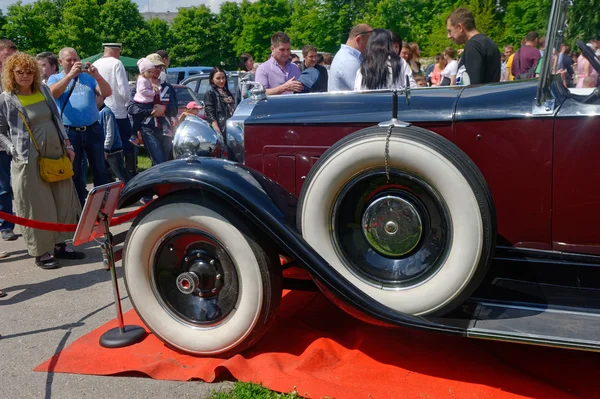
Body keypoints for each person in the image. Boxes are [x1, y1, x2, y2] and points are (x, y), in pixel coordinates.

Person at [0, 52, 85, 269]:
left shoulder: (44, 90)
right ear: (12, 74)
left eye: (29, 71)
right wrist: (12, 149)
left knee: (61, 200)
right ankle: (41, 252)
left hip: (56, 151)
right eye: (20, 72)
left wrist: (67, 145)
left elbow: (56, 119)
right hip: (27, 158)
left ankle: (60, 245)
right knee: (36, 205)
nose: (25, 76)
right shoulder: (6, 98)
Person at [48, 47, 112, 206]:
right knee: (75, 171)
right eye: (69, 60)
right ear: (61, 62)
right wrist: (70, 76)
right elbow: (52, 94)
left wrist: (97, 76)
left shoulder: (88, 78)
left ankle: (101, 205)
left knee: (100, 169)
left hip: (93, 129)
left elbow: (107, 92)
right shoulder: (55, 78)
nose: (73, 62)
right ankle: (80, 207)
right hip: (70, 133)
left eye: (75, 59)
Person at [92, 43, 136, 178]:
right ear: (117, 51)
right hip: (118, 111)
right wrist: (129, 102)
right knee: (126, 146)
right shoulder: (117, 63)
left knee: (105, 144)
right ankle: (129, 174)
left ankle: (107, 175)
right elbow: (124, 89)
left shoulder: (95, 64)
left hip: (100, 109)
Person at [128, 53, 177, 167]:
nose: (158, 70)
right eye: (155, 67)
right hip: (148, 128)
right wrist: (151, 111)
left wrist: (164, 108)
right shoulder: (138, 86)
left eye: (160, 67)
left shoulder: (168, 88)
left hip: (166, 129)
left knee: (165, 160)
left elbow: (174, 110)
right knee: (158, 161)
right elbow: (131, 108)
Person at [446, 8, 501, 84]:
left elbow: (473, 86)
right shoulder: (489, 43)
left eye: (450, 31)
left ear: (460, 27)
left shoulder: (473, 46)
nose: (448, 36)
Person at [0, 39, 17, 244]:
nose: (10, 60)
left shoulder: (13, 77)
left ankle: (6, 226)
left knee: (4, 186)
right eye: (6, 56)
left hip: (9, 139)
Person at [97, 93, 130, 184]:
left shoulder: (107, 112)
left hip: (113, 150)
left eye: (94, 96)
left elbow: (110, 132)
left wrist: (106, 148)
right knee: (106, 176)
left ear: (101, 97)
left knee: (121, 174)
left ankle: (130, 191)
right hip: (102, 150)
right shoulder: (95, 112)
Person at [329, 24, 373, 91]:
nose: (372, 46)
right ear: (358, 39)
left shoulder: (346, 56)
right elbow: (365, 91)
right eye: (370, 42)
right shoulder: (349, 62)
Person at [130, 57, 160, 146]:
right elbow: (143, 91)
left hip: (147, 102)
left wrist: (153, 87)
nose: (151, 74)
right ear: (143, 72)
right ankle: (133, 136)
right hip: (141, 103)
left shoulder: (148, 79)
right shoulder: (142, 80)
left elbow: (149, 87)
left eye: (152, 72)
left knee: (156, 113)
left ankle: (138, 136)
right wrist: (153, 93)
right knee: (137, 121)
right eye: (149, 72)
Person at [204, 67, 236, 137]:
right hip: (221, 128)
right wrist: (216, 127)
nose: (222, 81)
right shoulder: (210, 93)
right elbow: (210, 112)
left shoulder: (227, 92)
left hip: (231, 126)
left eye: (223, 77)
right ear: (212, 80)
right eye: (218, 78)